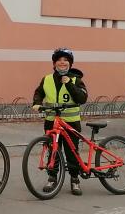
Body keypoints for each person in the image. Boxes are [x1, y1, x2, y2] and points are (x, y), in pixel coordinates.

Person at [31, 48, 88, 195]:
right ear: (54, 63)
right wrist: (36, 103)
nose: (62, 62)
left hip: (70, 122)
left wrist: (69, 83)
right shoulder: (47, 79)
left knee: (71, 152)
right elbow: (39, 92)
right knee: (53, 151)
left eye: (65, 60)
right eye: (59, 60)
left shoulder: (76, 79)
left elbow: (82, 99)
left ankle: (75, 180)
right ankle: (52, 178)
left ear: (69, 63)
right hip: (51, 121)